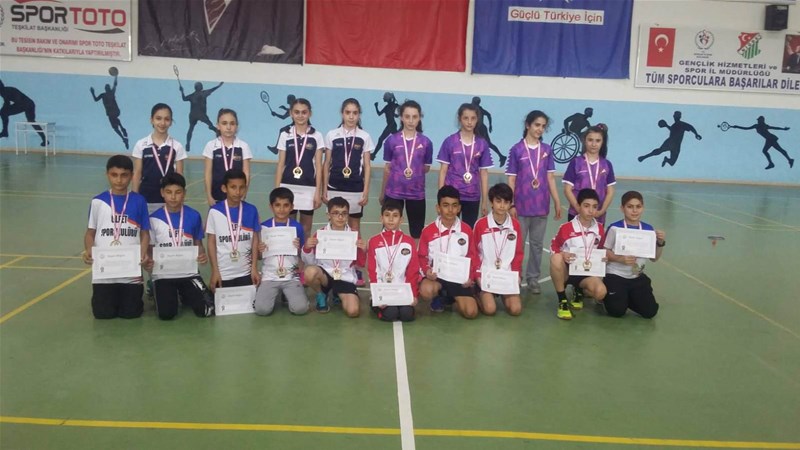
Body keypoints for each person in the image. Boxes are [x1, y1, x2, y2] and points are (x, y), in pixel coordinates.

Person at [82, 155, 150, 319]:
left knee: (131, 313)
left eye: (124, 175)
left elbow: (145, 233)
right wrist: (89, 250)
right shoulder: (98, 201)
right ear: (107, 174)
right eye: (114, 175)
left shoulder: (139, 201)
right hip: (104, 272)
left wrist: (143, 252)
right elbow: (90, 233)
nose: (119, 180)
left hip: (131, 271)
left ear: (131, 176)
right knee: (103, 314)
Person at [506, 110, 562, 294]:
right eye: (537, 125)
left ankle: (533, 278)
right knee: (518, 245)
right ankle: (515, 276)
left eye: (543, 126)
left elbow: (550, 177)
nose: (540, 129)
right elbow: (511, 179)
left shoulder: (547, 150)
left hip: (541, 206)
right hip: (521, 207)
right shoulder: (516, 150)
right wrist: (511, 204)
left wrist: (556, 200)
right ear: (528, 125)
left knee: (537, 245)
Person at [144, 173, 214, 320]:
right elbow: (150, 250)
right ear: (162, 193)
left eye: (178, 192)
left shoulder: (194, 216)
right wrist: (149, 262)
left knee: (207, 310)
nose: (173, 197)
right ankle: (157, 288)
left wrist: (202, 255)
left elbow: (198, 244)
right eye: (169, 192)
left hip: (189, 272)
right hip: (163, 274)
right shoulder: (153, 219)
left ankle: (182, 292)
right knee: (166, 314)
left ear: (184, 193)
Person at [418, 186, 479, 319]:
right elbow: (422, 257)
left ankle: (450, 298)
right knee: (426, 290)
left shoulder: (467, 230)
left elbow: (473, 256)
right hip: (437, 278)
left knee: (471, 313)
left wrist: (470, 277)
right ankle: (441, 296)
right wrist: (427, 271)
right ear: (438, 208)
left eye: (454, 205)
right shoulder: (428, 231)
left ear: (459, 208)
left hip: (459, 279)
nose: (450, 210)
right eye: (445, 205)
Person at [602, 191, 665, 319]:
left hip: (636, 276)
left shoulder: (648, 229)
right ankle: (610, 296)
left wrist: (660, 243)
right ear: (622, 208)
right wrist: (619, 259)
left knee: (650, 312)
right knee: (616, 311)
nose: (634, 211)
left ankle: (626, 297)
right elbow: (604, 252)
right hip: (616, 275)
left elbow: (654, 258)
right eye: (630, 207)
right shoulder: (615, 228)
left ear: (643, 208)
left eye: (638, 206)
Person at [302, 197, 367, 317]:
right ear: (328, 215)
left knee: (353, 311)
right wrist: (307, 248)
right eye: (336, 213)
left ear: (348, 215)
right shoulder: (320, 234)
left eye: (344, 213)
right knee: (309, 272)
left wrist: (363, 250)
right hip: (325, 276)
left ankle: (337, 294)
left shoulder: (353, 236)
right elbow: (310, 262)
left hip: (345, 276)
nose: (340, 217)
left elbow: (360, 264)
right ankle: (321, 294)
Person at [378, 100, 434, 240]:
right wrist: (382, 193)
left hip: (416, 193)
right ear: (401, 117)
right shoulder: (391, 141)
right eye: (407, 116)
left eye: (414, 117)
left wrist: (413, 172)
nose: (410, 120)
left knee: (417, 232)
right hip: (394, 192)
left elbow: (426, 167)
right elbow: (387, 168)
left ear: (419, 118)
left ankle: (415, 254)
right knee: (389, 229)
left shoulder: (426, 142)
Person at [549, 188, 607, 320]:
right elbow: (554, 246)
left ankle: (579, 290)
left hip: (586, 272)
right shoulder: (566, 228)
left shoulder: (600, 229)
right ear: (579, 206)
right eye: (586, 206)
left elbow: (601, 249)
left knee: (600, 292)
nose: (591, 210)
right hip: (567, 272)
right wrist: (562, 254)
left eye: (594, 207)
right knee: (556, 258)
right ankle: (562, 300)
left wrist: (604, 258)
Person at [274, 98, 326, 242]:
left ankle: (303, 255)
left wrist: (318, 192)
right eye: (297, 112)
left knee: (305, 228)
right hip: (287, 186)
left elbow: (319, 165)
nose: (300, 115)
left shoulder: (317, 136)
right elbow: (280, 164)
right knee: (288, 227)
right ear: (291, 113)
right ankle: (289, 255)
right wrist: (277, 190)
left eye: (304, 112)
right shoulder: (285, 135)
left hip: (308, 188)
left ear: (310, 113)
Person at [437, 103, 493, 227]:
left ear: (477, 120)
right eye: (466, 118)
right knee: (449, 230)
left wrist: (484, 201)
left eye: (473, 118)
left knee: (468, 231)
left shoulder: (482, 144)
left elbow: (484, 173)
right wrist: (440, 198)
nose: (469, 122)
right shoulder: (450, 141)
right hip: (452, 196)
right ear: (460, 119)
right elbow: (443, 171)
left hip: (473, 196)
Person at [254, 187, 308, 316]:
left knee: (300, 309)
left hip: (291, 276)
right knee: (262, 310)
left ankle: (287, 292)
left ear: (292, 207)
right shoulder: (264, 227)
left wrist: (299, 248)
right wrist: (260, 250)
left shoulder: (297, 227)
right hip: (270, 276)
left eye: (286, 205)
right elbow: (259, 257)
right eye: (277, 205)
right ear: (271, 206)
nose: (281, 209)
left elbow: (303, 255)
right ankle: (276, 292)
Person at [323, 98, 374, 233]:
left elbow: (367, 166)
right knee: (334, 224)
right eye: (348, 112)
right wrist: (324, 188)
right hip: (334, 187)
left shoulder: (365, 136)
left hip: (356, 188)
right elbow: (326, 163)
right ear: (342, 113)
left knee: (354, 226)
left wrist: (366, 191)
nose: (351, 117)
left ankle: (354, 249)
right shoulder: (332, 135)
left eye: (355, 113)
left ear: (359, 115)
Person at [206, 169, 261, 291]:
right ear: (224, 188)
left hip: (246, 272)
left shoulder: (251, 210)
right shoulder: (214, 211)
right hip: (223, 274)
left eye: (242, 187)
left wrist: (254, 268)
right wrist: (215, 271)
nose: (238, 192)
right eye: (233, 187)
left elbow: (255, 240)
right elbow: (211, 242)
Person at [473, 183, 523, 316]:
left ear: (510, 204)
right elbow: (474, 253)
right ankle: (477, 293)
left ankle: (503, 293)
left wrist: (517, 276)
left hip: (506, 275)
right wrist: (477, 276)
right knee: (490, 309)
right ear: (491, 202)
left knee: (516, 309)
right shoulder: (481, 224)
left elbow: (518, 254)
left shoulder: (515, 226)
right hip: (486, 275)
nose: (502, 206)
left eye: (506, 202)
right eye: (498, 201)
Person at [367, 200, 420, 322]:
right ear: (381, 218)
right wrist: (377, 295)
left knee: (407, 315)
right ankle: (375, 305)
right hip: (383, 290)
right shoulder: (374, 241)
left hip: (402, 290)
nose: (391, 219)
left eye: (395, 216)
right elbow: (372, 271)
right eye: (387, 215)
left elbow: (413, 271)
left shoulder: (409, 242)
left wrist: (413, 294)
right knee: (391, 313)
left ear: (401, 220)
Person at [132, 103, 187, 213]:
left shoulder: (177, 146)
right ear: (151, 120)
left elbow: (179, 175)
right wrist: (134, 197)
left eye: (167, 119)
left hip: (169, 201)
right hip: (146, 198)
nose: (162, 123)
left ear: (171, 122)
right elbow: (137, 173)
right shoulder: (141, 144)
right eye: (158, 118)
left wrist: (180, 199)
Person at [562, 124, 616, 225]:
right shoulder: (576, 162)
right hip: (576, 214)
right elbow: (567, 190)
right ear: (584, 141)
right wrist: (578, 208)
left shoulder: (607, 164)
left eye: (598, 141)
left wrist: (602, 210)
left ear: (602, 142)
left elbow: (610, 191)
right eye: (590, 140)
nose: (594, 144)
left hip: (598, 215)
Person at [203, 108, 253, 206]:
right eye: (224, 123)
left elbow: (246, 173)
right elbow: (208, 173)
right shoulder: (211, 145)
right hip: (216, 196)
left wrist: (244, 194)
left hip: (237, 196)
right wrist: (209, 195)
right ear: (218, 126)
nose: (228, 127)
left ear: (236, 126)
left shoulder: (243, 146)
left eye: (232, 123)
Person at [637, 111, 702, 167]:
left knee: (672, 163)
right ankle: (644, 157)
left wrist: (696, 134)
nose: (676, 117)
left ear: (679, 117)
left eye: (677, 116)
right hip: (670, 142)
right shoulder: (674, 125)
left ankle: (666, 159)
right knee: (659, 151)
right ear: (674, 116)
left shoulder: (682, 124)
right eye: (675, 115)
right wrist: (666, 125)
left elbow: (691, 127)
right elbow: (673, 130)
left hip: (677, 145)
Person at [729, 116, 794, 170]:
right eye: (758, 120)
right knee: (769, 150)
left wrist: (783, 129)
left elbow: (775, 128)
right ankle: (781, 161)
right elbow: (746, 128)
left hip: (771, 139)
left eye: (759, 120)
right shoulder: (756, 126)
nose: (758, 121)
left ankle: (783, 161)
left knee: (777, 150)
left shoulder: (764, 126)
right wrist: (737, 126)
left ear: (762, 120)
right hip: (769, 139)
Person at [0, 80, 47, 146]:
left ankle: (5, 131)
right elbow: (7, 103)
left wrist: (2, 111)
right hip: (30, 103)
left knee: (3, 112)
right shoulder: (7, 89)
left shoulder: (4, 92)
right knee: (31, 121)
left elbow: (7, 104)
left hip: (23, 104)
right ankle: (44, 139)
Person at [181, 81, 223, 152]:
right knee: (210, 124)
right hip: (201, 114)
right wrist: (218, 86)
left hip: (193, 114)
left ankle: (188, 143)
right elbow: (212, 89)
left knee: (191, 129)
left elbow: (184, 98)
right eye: (201, 86)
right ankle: (215, 130)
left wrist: (182, 91)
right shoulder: (204, 93)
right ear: (200, 87)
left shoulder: (192, 95)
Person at [90, 74, 128, 149]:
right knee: (115, 127)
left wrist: (116, 76)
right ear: (105, 89)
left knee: (115, 124)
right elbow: (96, 99)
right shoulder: (105, 94)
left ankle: (122, 129)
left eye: (107, 87)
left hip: (113, 112)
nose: (107, 88)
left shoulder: (110, 93)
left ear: (108, 88)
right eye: (106, 87)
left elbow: (115, 84)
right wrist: (92, 92)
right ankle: (123, 134)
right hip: (113, 112)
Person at [371, 92, 399, 161]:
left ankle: (373, 155)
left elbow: (380, 113)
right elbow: (380, 113)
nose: (383, 98)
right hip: (392, 125)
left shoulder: (390, 106)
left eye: (384, 97)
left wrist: (376, 106)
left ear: (387, 98)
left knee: (381, 139)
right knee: (398, 140)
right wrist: (376, 106)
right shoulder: (389, 106)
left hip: (391, 125)